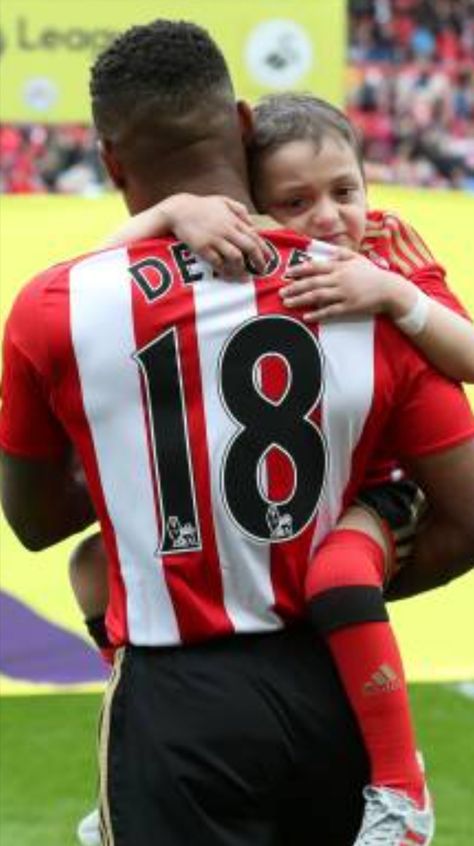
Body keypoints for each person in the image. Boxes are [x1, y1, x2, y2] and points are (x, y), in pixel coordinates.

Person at [1, 20, 474, 846]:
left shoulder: (59, 308)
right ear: (247, 127)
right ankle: (404, 791)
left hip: (177, 700)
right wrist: (336, 598)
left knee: (87, 567)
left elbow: (37, 522)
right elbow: (468, 515)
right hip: (329, 678)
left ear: (112, 163)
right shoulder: (369, 295)